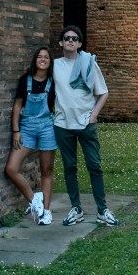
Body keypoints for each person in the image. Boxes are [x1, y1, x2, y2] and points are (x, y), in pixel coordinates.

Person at [53, 25, 119, 227]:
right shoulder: (54, 66)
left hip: (85, 123)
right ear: (61, 43)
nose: (70, 41)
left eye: (75, 38)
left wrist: (94, 116)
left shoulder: (89, 63)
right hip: (62, 123)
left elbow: (103, 92)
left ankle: (102, 210)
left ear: (80, 44)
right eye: (67, 38)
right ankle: (76, 209)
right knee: (69, 167)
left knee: (94, 166)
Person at [4, 46, 56, 226]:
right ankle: (35, 201)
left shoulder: (53, 82)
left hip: (47, 127)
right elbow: (17, 106)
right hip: (26, 128)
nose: (43, 59)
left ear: (50, 62)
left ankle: (46, 212)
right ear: (35, 60)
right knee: (11, 168)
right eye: (39, 56)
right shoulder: (25, 80)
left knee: (46, 170)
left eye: (46, 57)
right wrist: (16, 131)